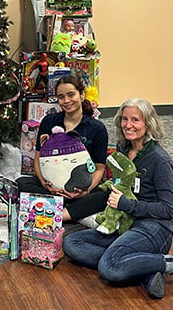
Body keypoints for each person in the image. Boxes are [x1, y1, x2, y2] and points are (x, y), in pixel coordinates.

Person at [62, 98, 173, 299]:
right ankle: (144, 269)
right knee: (72, 243)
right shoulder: (123, 151)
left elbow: (168, 210)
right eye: (124, 119)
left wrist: (127, 204)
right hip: (124, 225)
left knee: (109, 268)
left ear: (148, 124)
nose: (128, 125)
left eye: (135, 120)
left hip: (154, 228)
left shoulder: (160, 160)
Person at [16, 75, 109, 223]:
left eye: (71, 94)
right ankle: (70, 211)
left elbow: (99, 168)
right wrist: (45, 183)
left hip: (80, 189)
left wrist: (85, 191)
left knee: (105, 194)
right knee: (21, 183)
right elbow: (38, 157)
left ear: (82, 95)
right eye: (61, 97)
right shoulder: (49, 121)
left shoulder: (97, 128)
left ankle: (57, 213)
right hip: (52, 188)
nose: (66, 101)